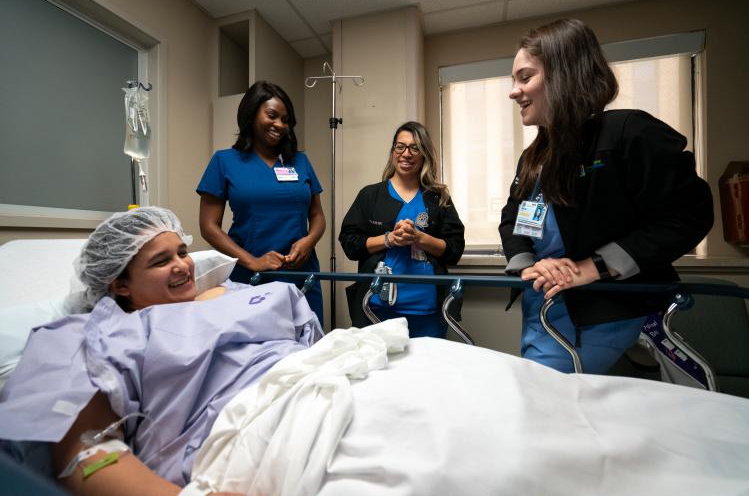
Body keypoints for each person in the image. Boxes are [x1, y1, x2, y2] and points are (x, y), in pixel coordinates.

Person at [0, 207, 320, 494]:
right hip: (268, 421)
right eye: (162, 261)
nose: (182, 265)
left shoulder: (240, 293)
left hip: (325, 378)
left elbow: (315, 346)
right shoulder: (100, 335)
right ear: (119, 285)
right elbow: (86, 453)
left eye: (183, 252)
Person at [499, 18, 714, 374]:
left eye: (525, 77)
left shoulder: (626, 134)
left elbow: (688, 215)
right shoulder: (535, 157)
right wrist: (529, 264)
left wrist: (593, 266)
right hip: (544, 308)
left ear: (563, 75)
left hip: (606, 315)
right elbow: (514, 219)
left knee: (556, 412)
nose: (513, 91)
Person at [197, 80, 326, 326]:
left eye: (285, 119)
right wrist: (252, 261)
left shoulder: (299, 162)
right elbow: (208, 226)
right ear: (251, 114)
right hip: (250, 277)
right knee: (256, 351)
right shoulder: (225, 161)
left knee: (308, 348)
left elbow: (318, 216)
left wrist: (309, 241)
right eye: (272, 115)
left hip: (301, 276)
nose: (279, 124)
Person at [339, 121, 465, 337]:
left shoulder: (437, 198)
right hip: (376, 310)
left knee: (426, 369)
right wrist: (388, 239)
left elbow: (454, 249)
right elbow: (350, 243)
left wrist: (419, 238)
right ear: (392, 152)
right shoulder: (371, 196)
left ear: (424, 154)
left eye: (415, 148)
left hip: (428, 311)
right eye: (400, 146)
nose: (406, 153)